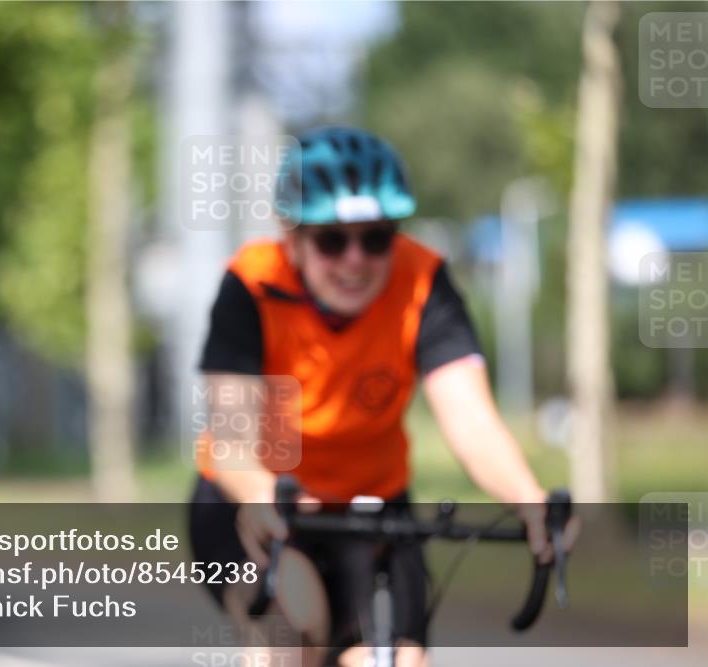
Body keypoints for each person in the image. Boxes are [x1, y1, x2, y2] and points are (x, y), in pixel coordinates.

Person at [187, 127, 566, 667]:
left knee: (398, 660)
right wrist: (261, 494)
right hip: (256, 500)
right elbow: (232, 436)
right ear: (290, 237)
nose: (356, 260)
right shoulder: (253, 285)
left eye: (377, 238)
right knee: (292, 635)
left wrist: (530, 500)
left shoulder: (421, 281)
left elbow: (471, 420)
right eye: (332, 240)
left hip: (372, 504)